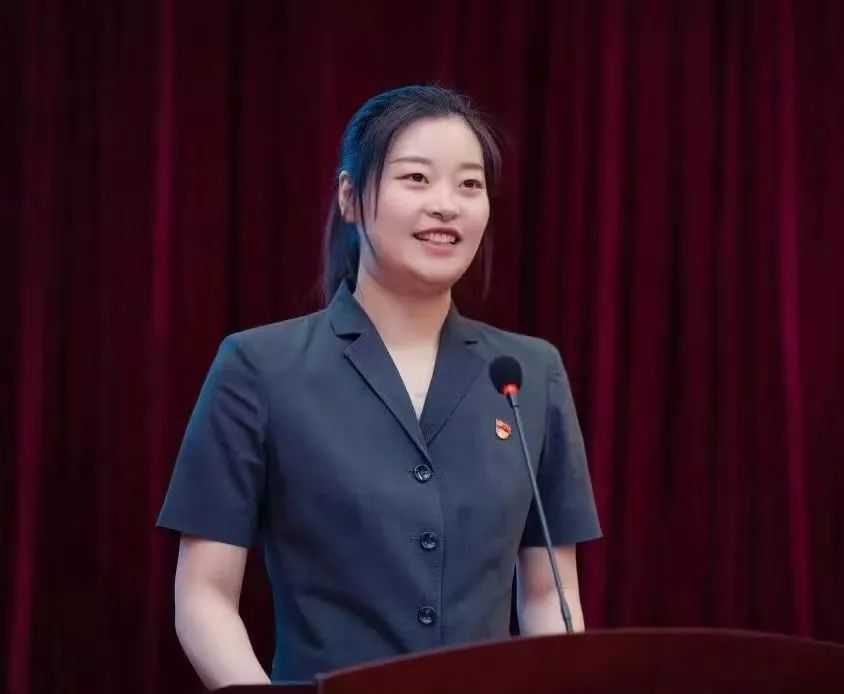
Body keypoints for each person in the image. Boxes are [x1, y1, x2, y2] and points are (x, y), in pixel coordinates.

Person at [156, 84, 601, 690]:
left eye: (469, 185)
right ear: (350, 198)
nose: (446, 205)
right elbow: (203, 595)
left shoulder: (527, 373)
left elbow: (551, 595)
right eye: (416, 178)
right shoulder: (259, 367)